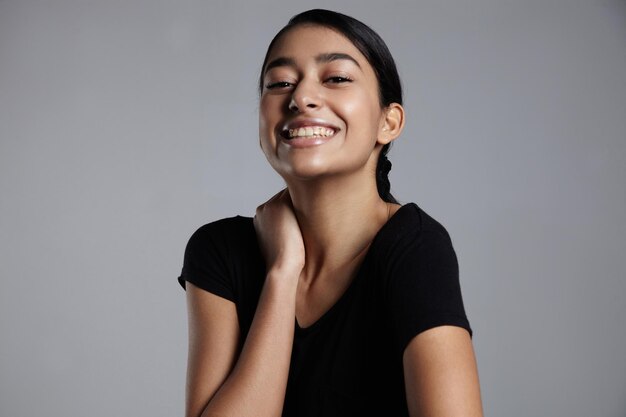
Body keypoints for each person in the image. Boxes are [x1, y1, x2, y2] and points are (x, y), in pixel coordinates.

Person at [177, 9, 483, 417]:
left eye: (336, 78)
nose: (300, 97)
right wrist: (283, 273)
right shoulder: (219, 250)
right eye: (280, 83)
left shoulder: (414, 248)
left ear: (388, 123)